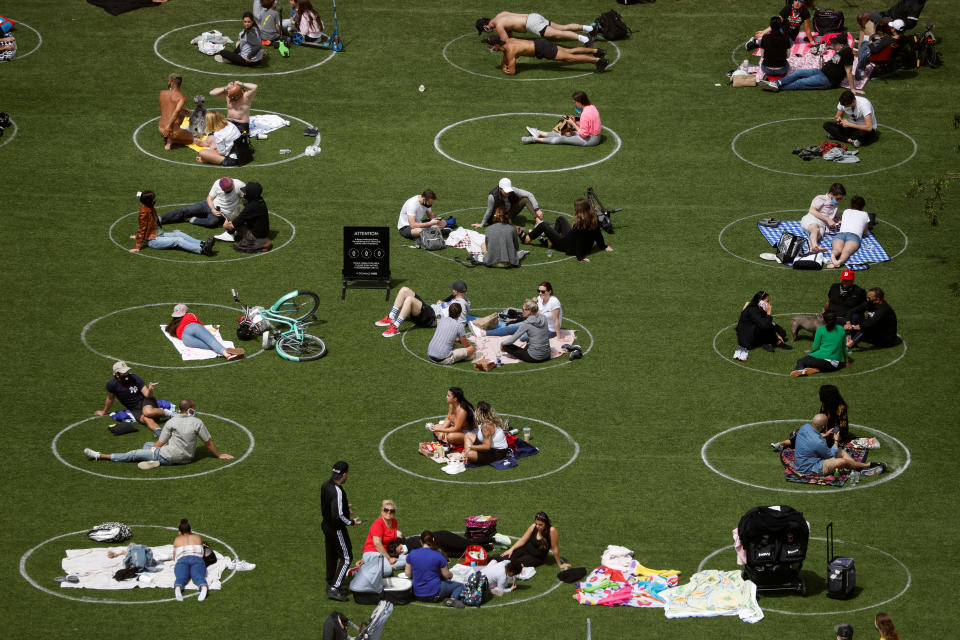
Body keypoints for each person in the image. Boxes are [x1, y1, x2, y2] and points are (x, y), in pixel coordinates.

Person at [84, 399, 234, 470]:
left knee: (135, 453)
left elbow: (160, 443)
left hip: (170, 455)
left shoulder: (171, 422)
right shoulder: (198, 422)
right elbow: (208, 442)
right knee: (148, 445)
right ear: (189, 410)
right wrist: (218, 455)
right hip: (188, 458)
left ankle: (100, 455)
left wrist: (151, 451)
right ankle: (155, 460)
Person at [760, 34, 860, 93]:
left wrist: (852, 88)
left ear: (842, 45)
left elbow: (849, 72)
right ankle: (777, 83)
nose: (833, 44)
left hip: (827, 80)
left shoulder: (847, 53)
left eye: (835, 43)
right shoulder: (841, 50)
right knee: (798, 72)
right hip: (822, 71)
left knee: (800, 83)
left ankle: (777, 88)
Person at [523, 197, 613, 262]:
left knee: (543, 225)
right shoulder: (593, 218)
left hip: (566, 246)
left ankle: (527, 238)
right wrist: (603, 246)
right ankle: (551, 242)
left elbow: (579, 242)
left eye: (575, 208)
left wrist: (580, 257)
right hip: (573, 241)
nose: (574, 209)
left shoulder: (579, 224)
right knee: (560, 219)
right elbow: (598, 234)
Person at [795, 413, 886, 477]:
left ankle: (859, 469)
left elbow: (813, 435)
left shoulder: (805, 427)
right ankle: (867, 466)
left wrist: (825, 435)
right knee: (843, 461)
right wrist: (836, 440)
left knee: (840, 451)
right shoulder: (818, 442)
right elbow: (830, 455)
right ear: (823, 427)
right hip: (811, 469)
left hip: (804, 461)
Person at [322, 461, 362, 601]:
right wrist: (351, 522)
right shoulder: (338, 491)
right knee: (346, 557)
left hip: (326, 526)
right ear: (344, 474)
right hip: (336, 528)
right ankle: (334, 588)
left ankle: (331, 579)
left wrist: (345, 507)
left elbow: (329, 505)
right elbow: (337, 515)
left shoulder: (326, 485)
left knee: (332, 554)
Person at [129, 191, 215, 256]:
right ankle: (201, 250)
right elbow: (142, 228)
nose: (155, 200)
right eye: (153, 199)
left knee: (179, 234)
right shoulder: (144, 212)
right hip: (153, 240)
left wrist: (137, 236)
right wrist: (137, 246)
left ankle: (203, 243)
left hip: (159, 235)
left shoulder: (150, 207)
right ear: (148, 201)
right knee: (178, 240)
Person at [95, 361, 171, 435]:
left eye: (127, 371)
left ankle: (171, 414)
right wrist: (104, 412)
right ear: (117, 375)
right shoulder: (111, 384)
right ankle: (159, 433)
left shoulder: (135, 378)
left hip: (146, 401)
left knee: (147, 412)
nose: (126, 374)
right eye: (123, 373)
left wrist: (150, 389)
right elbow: (110, 398)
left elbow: (148, 395)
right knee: (146, 418)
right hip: (134, 409)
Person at [375, 280, 470, 338]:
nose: (451, 290)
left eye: (453, 289)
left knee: (409, 300)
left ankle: (395, 327)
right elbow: (448, 305)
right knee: (405, 290)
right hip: (429, 310)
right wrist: (443, 303)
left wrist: (441, 322)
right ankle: (391, 316)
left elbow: (460, 324)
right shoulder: (457, 297)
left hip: (431, 318)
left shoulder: (461, 305)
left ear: (456, 291)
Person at [790, 269, 867, 340]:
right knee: (814, 323)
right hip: (829, 317)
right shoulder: (834, 287)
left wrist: (862, 319)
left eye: (847, 280)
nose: (844, 282)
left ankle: (846, 338)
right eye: (843, 280)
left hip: (845, 319)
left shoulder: (859, 292)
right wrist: (824, 312)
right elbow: (828, 301)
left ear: (853, 280)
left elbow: (862, 308)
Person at [771, 384, 851, 450]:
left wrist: (827, 433)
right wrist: (818, 430)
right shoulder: (825, 404)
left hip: (835, 435)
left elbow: (841, 428)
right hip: (823, 430)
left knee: (816, 440)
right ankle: (784, 443)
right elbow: (820, 419)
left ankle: (789, 444)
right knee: (805, 432)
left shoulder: (841, 408)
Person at [351, 500, 407, 593]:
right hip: (372, 552)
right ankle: (360, 570)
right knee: (388, 571)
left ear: (394, 513)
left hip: (384, 553)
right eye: (386, 510)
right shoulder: (378, 524)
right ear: (382, 511)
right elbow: (377, 544)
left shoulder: (394, 522)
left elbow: (391, 540)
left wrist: (398, 547)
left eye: (392, 511)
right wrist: (389, 559)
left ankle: (371, 566)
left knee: (409, 560)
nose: (389, 512)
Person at [486, 35, 608, 76]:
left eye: (491, 46)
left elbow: (512, 72)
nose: (490, 49)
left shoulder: (510, 51)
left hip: (542, 49)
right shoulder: (508, 41)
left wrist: (505, 69)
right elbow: (506, 57)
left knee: (570, 58)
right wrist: (503, 65)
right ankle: (597, 51)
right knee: (569, 51)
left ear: (496, 45)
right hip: (540, 42)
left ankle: (598, 60)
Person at [404, 530, 465, 608]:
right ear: (433, 540)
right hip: (434, 593)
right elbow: (446, 575)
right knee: (459, 586)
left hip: (417, 594)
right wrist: (451, 574)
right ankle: (452, 599)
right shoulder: (439, 555)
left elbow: (408, 574)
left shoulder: (412, 553)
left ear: (420, 541)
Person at [161, 176, 246, 229]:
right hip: (209, 205)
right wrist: (212, 208)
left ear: (232, 185)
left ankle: (192, 219)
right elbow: (209, 198)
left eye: (228, 191)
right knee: (186, 210)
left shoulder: (239, 185)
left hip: (223, 213)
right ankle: (160, 219)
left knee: (211, 222)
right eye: (224, 190)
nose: (225, 192)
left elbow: (245, 200)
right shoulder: (217, 183)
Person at [165, 304, 245, 360]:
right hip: (193, 328)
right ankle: (226, 353)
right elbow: (201, 327)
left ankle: (227, 353)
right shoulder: (190, 315)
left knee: (209, 345)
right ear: (185, 311)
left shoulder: (173, 326)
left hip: (186, 340)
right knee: (211, 341)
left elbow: (180, 336)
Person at [522, 91, 602, 146]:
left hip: (591, 140)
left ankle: (534, 139)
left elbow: (584, 135)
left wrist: (572, 124)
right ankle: (539, 133)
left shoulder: (585, 114)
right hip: (594, 136)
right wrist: (575, 122)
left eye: (575, 102)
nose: (574, 104)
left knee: (563, 139)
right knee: (564, 133)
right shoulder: (592, 107)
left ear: (580, 102)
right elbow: (587, 126)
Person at [499, 512, 572, 569]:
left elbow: (555, 549)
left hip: (535, 557)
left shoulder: (552, 531)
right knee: (504, 557)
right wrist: (511, 549)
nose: (537, 526)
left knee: (513, 564)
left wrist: (560, 564)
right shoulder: (534, 526)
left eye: (540, 525)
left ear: (546, 524)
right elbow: (523, 540)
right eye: (536, 524)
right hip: (525, 549)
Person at [790, 310, 849, 377]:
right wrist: (846, 361)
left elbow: (815, 347)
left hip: (824, 362)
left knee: (801, 361)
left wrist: (811, 355)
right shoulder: (841, 329)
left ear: (823, 319)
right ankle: (817, 369)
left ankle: (798, 370)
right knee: (814, 362)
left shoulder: (820, 330)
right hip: (837, 365)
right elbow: (844, 347)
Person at [476, 12, 596, 44]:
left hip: (532, 24)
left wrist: (496, 45)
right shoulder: (500, 15)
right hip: (534, 16)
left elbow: (506, 41)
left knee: (557, 34)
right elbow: (511, 26)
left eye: (483, 31)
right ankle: (589, 29)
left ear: (485, 27)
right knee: (562, 27)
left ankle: (585, 40)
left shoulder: (498, 25)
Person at [734, 291, 790, 360]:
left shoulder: (758, 308)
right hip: (747, 341)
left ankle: (769, 341)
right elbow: (765, 325)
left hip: (751, 334)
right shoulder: (752, 310)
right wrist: (768, 313)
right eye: (767, 301)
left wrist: (776, 333)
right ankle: (773, 342)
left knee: (782, 332)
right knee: (765, 325)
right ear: (760, 301)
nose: (769, 304)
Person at [475, 178, 544, 228]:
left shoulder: (512, 189)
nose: (508, 193)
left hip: (510, 212)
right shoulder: (492, 196)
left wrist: (537, 209)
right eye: (506, 191)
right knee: (508, 226)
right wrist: (482, 224)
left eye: (508, 190)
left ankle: (538, 222)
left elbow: (529, 194)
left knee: (525, 199)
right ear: (500, 188)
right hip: (499, 217)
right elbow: (489, 210)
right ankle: (528, 231)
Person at [223, 181, 272, 251]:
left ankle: (230, 233)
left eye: (246, 192)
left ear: (251, 193)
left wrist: (225, 225)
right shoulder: (260, 200)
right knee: (240, 207)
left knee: (235, 224)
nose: (244, 193)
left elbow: (234, 224)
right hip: (264, 232)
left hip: (255, 237)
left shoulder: (251, 208)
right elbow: (245, 205)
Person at [826, 196, 871, 268]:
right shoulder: (865, 214)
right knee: (846, 251)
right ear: (862, 206)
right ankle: (839, 262)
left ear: (851, 204)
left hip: (840, 234)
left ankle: (833, 257)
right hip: (854, 236)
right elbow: (865, 233)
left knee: (837, 249)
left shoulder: (846, 211)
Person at [800, 183, 846, 253]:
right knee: (815, 228)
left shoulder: (835, 206)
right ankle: (816, 246)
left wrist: (839, 222)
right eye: (838, 198)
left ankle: (810, 250)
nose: (838, 201)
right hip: (812, 218)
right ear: (831, 194)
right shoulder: (821, 198)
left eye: (840, 199)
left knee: (816, 236)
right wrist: (827, 219)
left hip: (823, 227)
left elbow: (835, 218)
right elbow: (812, 210)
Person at [172, 519, 209, 602]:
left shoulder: (177, 539)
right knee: (198, 576)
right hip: (197, 559)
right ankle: (203, 587)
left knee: (181, 576)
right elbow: (202, 553)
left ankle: (178, 587)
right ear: (191, 530)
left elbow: (174, 557)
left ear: (179, 532)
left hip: (182, 560)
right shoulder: (198, 537)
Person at [157, 73, 194, 150]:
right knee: (191, 140)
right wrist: (169, 127)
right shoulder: (181, 97)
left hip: (161, 128)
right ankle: (171, 140)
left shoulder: (162, 93)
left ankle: (167, 137)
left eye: (168, 81)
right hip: (171, 130)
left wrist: (182, 110)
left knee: (182, 113)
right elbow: (176, 111)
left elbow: (167, 107)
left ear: (171, 82)